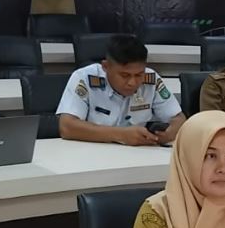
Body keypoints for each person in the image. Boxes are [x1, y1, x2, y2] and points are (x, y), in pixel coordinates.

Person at [57, 34, 185, 146]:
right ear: (106, 67)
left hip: (137, 155)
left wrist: (169, 134)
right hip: (91, 153)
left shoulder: (151, 79)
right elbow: (67, 127)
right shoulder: (84, 77)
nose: (132, 82)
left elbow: (178, 119)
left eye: (139, 75)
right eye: (125, 75)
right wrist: (121, 135)